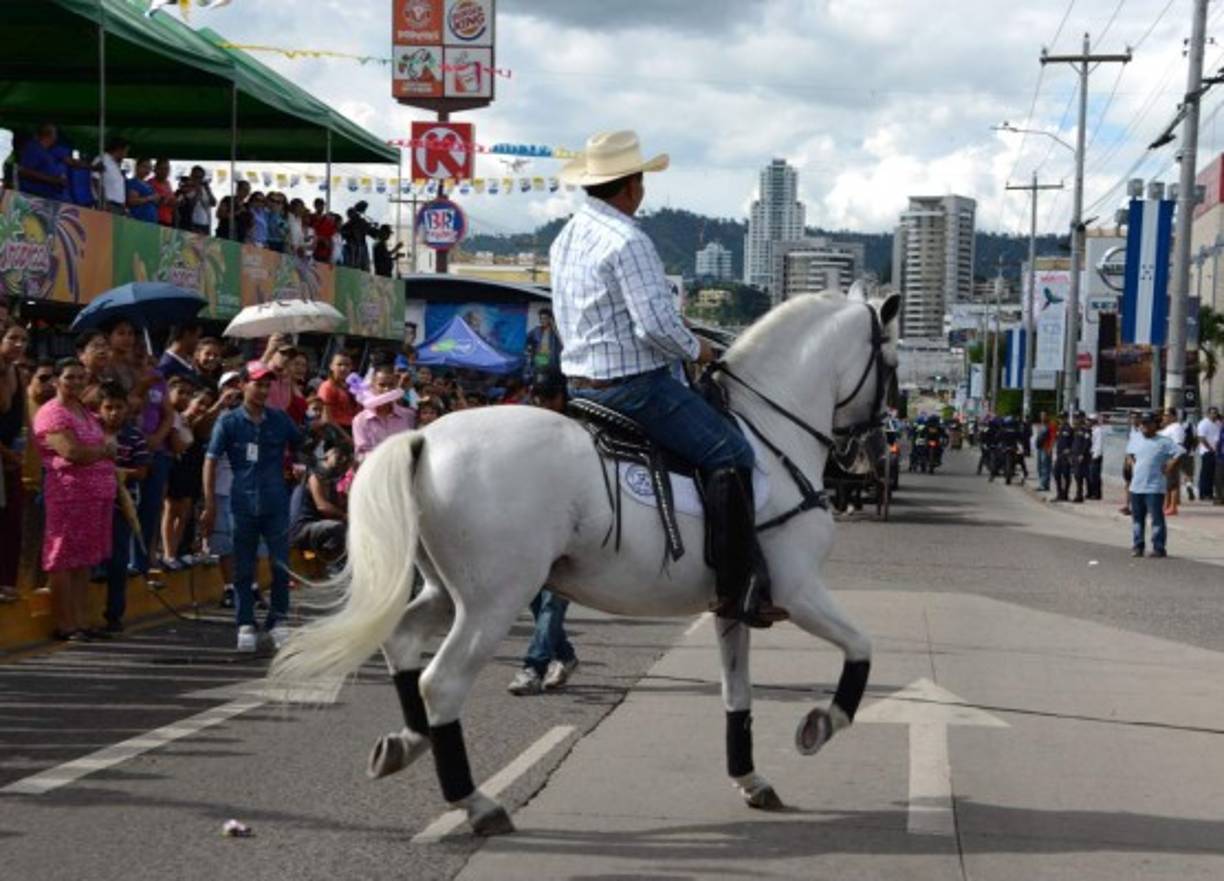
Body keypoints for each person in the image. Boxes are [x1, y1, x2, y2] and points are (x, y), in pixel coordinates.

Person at [550, 130, 783, 627]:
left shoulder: (567, 236)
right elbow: (654, 326)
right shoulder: (629, 240)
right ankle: (736, 587)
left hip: (579, 387)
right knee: (731, 452)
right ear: (632, 184)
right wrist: (698, 347)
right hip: (634, 388)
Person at [202, 361, 305, 652]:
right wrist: (209, 503)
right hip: (241, 501)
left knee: (280, 565)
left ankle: (278, 620)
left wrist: (300, 463)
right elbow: (210, 460)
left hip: (276, 501)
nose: (262, 389)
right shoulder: (229, 421)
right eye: (257, 383)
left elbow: (301, 444)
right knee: (243, 567)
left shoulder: (279, 419)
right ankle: (245, 622)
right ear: (243, 385)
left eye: (266, 384)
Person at [33, 358, 117, 641]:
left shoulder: (83, 411)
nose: (77, 383)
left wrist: (100, 451)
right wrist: (103, 451)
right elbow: (72, 452)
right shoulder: (52, 413)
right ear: (57, 380)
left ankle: (82, 621)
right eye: (70, 377)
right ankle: (66, 624)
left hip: (95, 496)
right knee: (63, 558)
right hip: (68, 495)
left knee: (84, 560)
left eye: (81, 378)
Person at [507, 372, 579, 695]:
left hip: (572, 531)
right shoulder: (528, 427)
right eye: (538, 399)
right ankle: (565, 655)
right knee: (535, 599)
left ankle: (532, 667)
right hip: (534, 529)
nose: (544, 405)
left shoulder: (580, 428)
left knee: (553, 601)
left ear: (563, 396)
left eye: (549, 398)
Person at [98, 381, 149, 633]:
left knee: (118, 559)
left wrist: (118, 472)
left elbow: (141, 471)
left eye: (119, 407)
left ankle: (114, 614)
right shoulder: (91, 431)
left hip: (121, 504)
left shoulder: (134, 436)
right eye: (109, 407)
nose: (114, 413)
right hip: (91, 502)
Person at [1125, 410, 1182, 558]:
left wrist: (1169, 466)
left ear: (1154, 425)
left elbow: (1179, 452)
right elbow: (1130, 453)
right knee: (1137, 519)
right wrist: (1134, 464)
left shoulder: (1164, 441)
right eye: (1142, 423)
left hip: (1154, 487)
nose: (1143, 426)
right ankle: (1138, 546)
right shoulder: (1136, 439)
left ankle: (1159, 547)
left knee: (1156, 518)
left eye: (1147, 423)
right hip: (1136, 486)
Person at [0, 323, 29, 603]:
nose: (18, 344)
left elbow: (20, 419)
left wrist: (17, 451)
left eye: (23, 339)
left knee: (12, 521)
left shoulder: (19, 373)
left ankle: (7, 581)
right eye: (12, 338)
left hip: (11, 456)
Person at [289, 433, 350, 560]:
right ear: (326, 457)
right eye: (338, 458)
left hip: (316, 528)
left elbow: (336, 507)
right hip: (301, 530)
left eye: (344, 461)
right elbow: (322, 506)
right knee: (338, 528)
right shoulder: (315, 475)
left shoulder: (332, 481)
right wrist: (345, 516)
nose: (342, 461)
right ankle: (332, 567)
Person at [351, 365, 415, 461]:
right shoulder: (360, 420)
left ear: (396, 386)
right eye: (382, 385)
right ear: (372, 386)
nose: (387, 389)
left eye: (391, 385)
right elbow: (361, 455)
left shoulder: (409, 416)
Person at [17, 123, 67, 201]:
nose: (56, 137)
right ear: (50, 136)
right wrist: (53, 180)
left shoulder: (46, 151)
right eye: (55, 134)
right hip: (34, 199)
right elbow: (24, 171)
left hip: (46, 198)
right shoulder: (34, 148)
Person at [317, 351, 359, 431]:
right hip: (336, 431)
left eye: (347, 365)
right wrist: (348, 439)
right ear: (331, 366)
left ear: (352, 367)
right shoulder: (327, 386)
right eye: (339, 364)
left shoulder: (353, 387)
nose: (343, 368)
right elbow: (327, 419)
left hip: (354, 428)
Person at [1158, 408, 1185, 515]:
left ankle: (1173, 507)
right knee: (1166, 484)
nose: (1165, 417)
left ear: (1174, 416)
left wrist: (1173, 460)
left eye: (1167, 415)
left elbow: (1178, 446)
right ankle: (1166, 505)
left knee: (1172, 483)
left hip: (1171, 458)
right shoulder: (1168, 428)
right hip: (1164, 458)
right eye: (1164, 415)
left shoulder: (1177, 428)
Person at [524, 307, 563, 381]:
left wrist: (554, 326)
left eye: (545, 318)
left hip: (553, 362)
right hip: (541, 360)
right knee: (540, 382)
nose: (542, 320)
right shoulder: (536, 330)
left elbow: (562, 341)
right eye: (541, 318)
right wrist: (529, 351)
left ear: (550, 319)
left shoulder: (555, 331)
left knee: (552, 382)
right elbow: (527, 341)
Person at [94, 136, 129, 214]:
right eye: (125, 151)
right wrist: (104, 202)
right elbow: (95, 180)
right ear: (119, 149)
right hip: (108, 204)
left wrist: (124, 207)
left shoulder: (115, 164)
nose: (125, 155)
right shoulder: (102, 159)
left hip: (119, 206)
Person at [182, 166, 217, 235]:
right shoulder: (187, 189)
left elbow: (213, 203)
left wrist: (208, 191)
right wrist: (197, 193)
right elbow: (189, 205)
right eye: (196, 177)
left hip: (206, 223)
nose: (198, 180)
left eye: (200, 177)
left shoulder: (205, 188)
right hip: (193, 224)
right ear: (191, 176)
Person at [1195, 406, 1220, 501]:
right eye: (1212, 413)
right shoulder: (1203, 423)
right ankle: (1203, 493)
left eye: (1215, 413)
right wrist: (1210, 448)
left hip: (1216, 452)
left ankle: (1209, 493)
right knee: (1205, 473)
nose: (1214, 414)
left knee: (1213, 474)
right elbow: (1201, 438)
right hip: (1207, 451)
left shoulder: (1218, 423)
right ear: (1208, 413)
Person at [125, 159, 160, 224]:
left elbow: (155, 201)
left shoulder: (148, 185)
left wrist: (157, 199)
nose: (147, 170)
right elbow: (132, 201)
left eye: (149, 168)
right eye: (144, 167)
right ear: (137, 167)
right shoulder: (133, 182)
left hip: (152, 222)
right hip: (140, 220)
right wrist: (150, 198)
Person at [1052, 416, 1075, 503]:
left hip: (1066, 456)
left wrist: (1070, 450)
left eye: (1063, 418)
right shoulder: (1059, 429)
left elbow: (1073, 441)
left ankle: (1065, 494)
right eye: (1060, 418)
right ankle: (1059, 493)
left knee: (1066, 475)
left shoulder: (1069, 429)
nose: (1061, 420)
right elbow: (1057, 442)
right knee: (1056, 473)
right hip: (1059, 455)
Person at [150, 159, 177, 227]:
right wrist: (166, 201)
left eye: (167, 169)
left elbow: (172, 200)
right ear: (156, 169)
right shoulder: (150, 183)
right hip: (156, 220)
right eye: (162, 169)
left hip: (168, 220)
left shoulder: (167, 183)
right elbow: (152, 202)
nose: (165, 172)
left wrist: (175, 202)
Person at [1087, 413, 1105, 500]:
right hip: (1090, 454)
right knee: (1089, 475)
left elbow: (1099, 444)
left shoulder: (1098, 430)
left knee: (1095, 475)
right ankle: (1090, 492)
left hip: (1096, 455)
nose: (1088, 422)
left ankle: (1096, 493)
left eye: (1090, 420)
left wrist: (1096, 455)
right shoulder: (1091, 430)